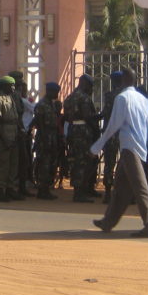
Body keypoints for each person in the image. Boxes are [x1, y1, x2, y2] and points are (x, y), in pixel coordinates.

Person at [90, 66, 148, 238]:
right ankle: (108, 221)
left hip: (130, 147)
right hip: (137, 147)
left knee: (140, 186)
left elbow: (113, 125)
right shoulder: (141, 99)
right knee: (121, 187)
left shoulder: (122, 98)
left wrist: (96, 146)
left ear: (122, 81)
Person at [63, 74, 99, 202]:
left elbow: (66, 115)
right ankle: (79, 193)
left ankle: (81, 190)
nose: (91, 89)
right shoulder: (84, 97)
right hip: (83, 133)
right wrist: (99, 118)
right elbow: (87, 117)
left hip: (73, 130)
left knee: (76, 160)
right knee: (83, 162)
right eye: (90, 85)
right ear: (84, 83)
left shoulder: (71, 97)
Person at [0, 76, 22, 201]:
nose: (13, 88)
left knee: (13, 164)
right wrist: (3, 138)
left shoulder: (11, 99)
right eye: (11, 85)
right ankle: (0, 190)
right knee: (3, 164)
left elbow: (16, 118)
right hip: (4, 134)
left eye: (14, 85)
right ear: (4, 86)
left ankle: (10, 188)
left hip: (13, 133)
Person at [31, 81, 63, 200]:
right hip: (45, 136)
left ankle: (46, 188)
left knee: (51, 163)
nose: (57, 95)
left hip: (52, 136)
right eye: (56, 92)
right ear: (50, 91)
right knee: (44, 163)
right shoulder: (42, 104)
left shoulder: (52, 104)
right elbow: (39, 122)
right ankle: (42, 189)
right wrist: (44, 138)